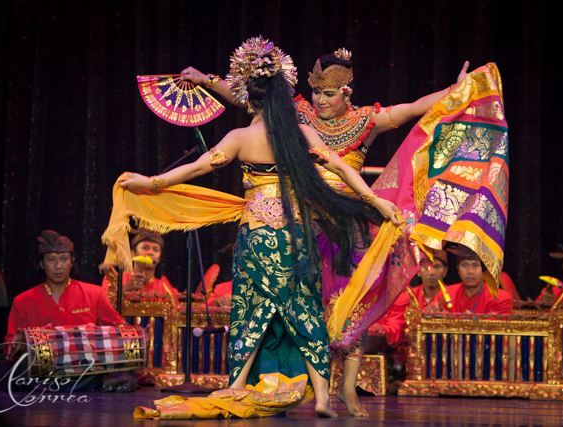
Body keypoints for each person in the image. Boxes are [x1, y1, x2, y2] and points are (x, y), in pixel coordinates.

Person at [110, 37, 401, 419]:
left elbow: (196, 168)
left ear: (250, 100)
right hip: (296, 238)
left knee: (251, 311)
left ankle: (235, 386)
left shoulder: (240, 138)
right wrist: (375, 200)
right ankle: (323, 399)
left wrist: (150, 182)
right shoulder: (302, 135)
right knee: (306, 311)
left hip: (258, 239)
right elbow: (343, 168)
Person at [180, 50, 474, 416]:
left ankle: (346, 389)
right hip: (304, 225)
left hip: (347, 229)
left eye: (328, 94)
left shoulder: (368, 121)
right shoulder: (299, 116)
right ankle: (288, 385)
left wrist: (455, 90)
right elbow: (251, 98)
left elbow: (413, 107)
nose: (319, 100)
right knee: (304, 308)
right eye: (316, 92)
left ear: (347, 93)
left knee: (349, 307)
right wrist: (206, 80)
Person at [2, 230, 135, 392]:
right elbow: (10, 345)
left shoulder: (95, 294)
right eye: (51, 260)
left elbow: (120, 329)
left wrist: (139, 337)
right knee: (7, 373)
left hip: (84, 372)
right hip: (43, 374)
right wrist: (17, 345)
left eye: (64, 259)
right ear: (42, 264)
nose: (58, 266)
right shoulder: (23, 301)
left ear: (72, 261)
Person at [426, 245, 512, 315]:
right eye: (464, 265)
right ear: (458, 268)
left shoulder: (501, 298)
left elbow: (493, 329)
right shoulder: (445, 294)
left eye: (475, 265)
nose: (470, 271)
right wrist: (430, 313)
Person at [101, 228, 178, 303]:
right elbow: (102, 306)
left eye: (155, 249)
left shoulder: (166, 289)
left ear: (159, 258)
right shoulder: (114, 280)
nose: (151, 252)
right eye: (145, 248)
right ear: (132, 254)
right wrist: (125, 289)